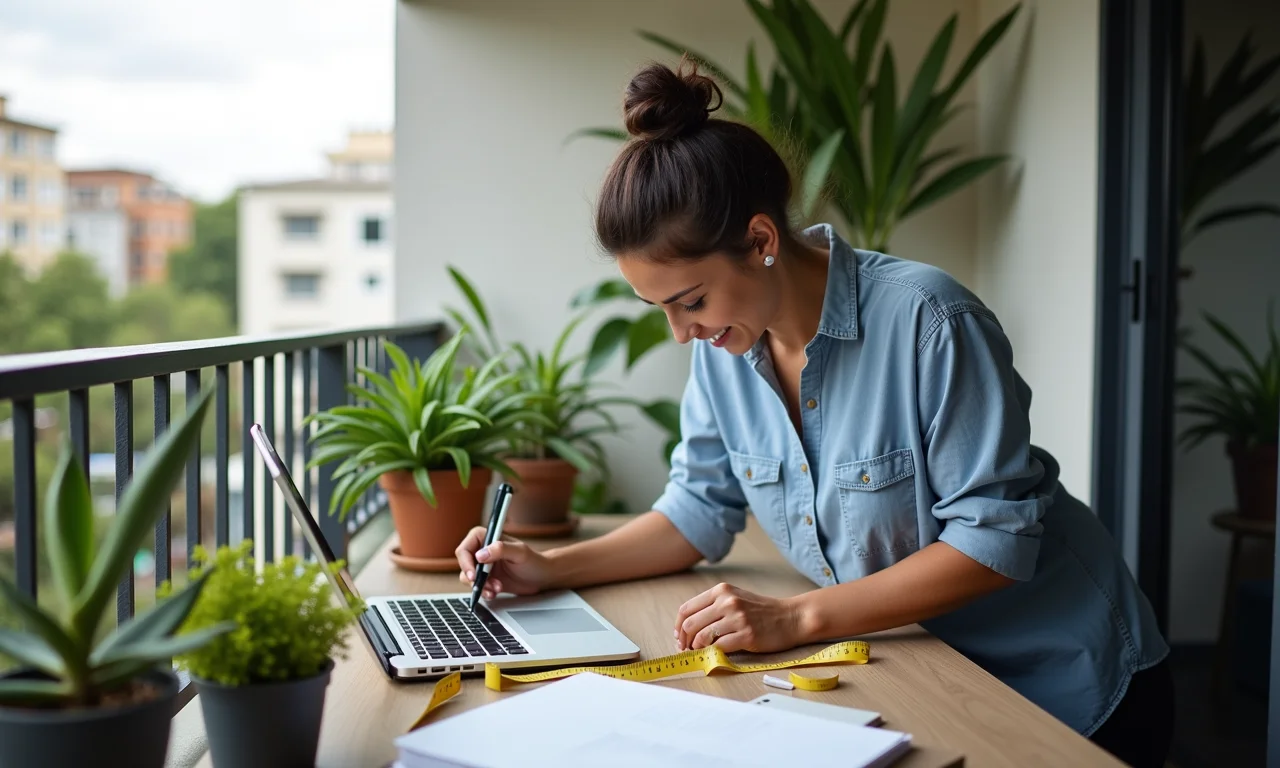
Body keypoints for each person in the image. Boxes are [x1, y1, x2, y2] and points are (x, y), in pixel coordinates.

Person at [455, 57, 1174, 767]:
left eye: (691, 301)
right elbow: (697, 508)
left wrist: (794, 617)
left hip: (1066, 684)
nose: (682, 334)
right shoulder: (724, 348)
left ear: (762, 242)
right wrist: (550, 569)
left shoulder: (931, 321)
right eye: (661, 309)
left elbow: (992, 541)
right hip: (920, 668)